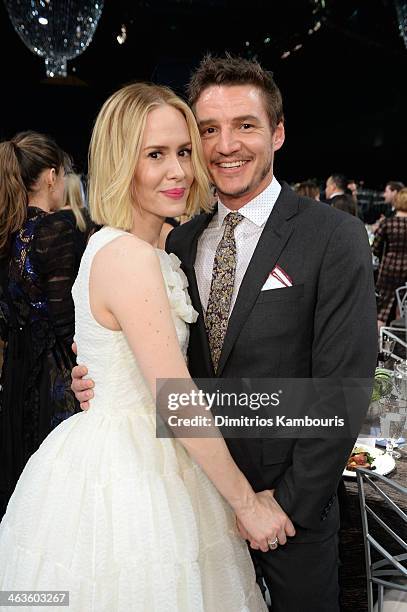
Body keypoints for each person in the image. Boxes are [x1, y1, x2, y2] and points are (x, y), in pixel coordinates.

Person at [72, 56, 378, 611]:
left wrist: (283, 508)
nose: (225, 145)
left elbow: (345, 387)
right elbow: (164, 364)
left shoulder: (334, 237)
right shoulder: (178, 241)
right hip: (188, 499)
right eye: (208, 130)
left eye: (245, 125)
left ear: (278, 133)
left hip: (290, 515)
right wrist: (104, 378)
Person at [0, 83, 295, 611]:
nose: (179, 171)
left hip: (141, 448)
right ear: (120, 161)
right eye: (155, 155)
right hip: (132, 470)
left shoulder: (143, 245)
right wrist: (246, 503)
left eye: (183, 151)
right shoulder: (129, 254)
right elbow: (174, 396)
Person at [0, 132, 80, 518]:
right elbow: (68, 322)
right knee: (62, 488)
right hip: (56, 377)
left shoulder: (9, 235)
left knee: (27, 489)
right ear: (51, 176)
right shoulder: (56, 229)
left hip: (17, 376)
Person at [372, 187, 407, 329]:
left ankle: (378, 345)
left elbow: (375, 247)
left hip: (389, 269)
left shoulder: (387, 223)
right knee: (403, 309)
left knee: (382, 310)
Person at [54, 168, 98, 267]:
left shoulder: (54, 218)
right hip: (85, 269)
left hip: (63, 272)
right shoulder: (90, 216)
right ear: (79, 191)